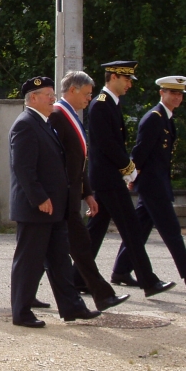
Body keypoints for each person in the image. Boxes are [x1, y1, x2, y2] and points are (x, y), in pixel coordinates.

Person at [9, 77, 100, 328]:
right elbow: (23, 168)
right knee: (29, 261)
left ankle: (72, 307)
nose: (52, 98)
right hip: (37, 208)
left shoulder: (45, 123)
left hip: (55, 207)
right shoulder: (25, 124)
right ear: (33, 98)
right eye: (46, 94)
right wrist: (39, 197)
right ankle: (22, 312)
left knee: (60, 260)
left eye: (52, 93)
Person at [113, 76, 186, 289]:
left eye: (180, 94)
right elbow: (140, 152)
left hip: (157, 183)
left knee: (139, 230)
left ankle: (121, 271)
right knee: (171, 231)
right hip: (153, 186)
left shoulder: (166, 118)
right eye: (172, 93)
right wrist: (131, 177)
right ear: (162, 93)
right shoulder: (154, 117)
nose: (177, 97)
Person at [84, 61, 174, 297]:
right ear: (113, 77)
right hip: (108, 179)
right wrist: (128, 167)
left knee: (95, 231)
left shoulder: (111, 104)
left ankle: (77, 277)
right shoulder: (101, 105)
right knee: (131, 228)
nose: (129, 85)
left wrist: (126, 168)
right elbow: (107, 145)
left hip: (108, 178)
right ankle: (149, 281)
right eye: (126, 80)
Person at [47, 70, 129, 313]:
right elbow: (58, 160)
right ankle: (101, 295)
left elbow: (79, 159)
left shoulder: (72, 115)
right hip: (63, 196)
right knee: (75, 248)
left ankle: (100, 295)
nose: (88, 99)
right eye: (86, 94)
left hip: (72, 195)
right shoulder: (58, 115)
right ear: (72, 90)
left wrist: (88, 192)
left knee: (67, 249)